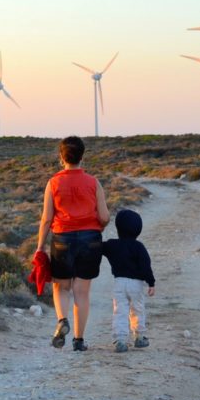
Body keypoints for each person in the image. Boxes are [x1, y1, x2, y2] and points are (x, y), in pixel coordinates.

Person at [34, 136, 110, 351]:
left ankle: (61, 320)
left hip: (62, 240)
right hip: (90, 240)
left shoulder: (53, 183)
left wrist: (40, 246)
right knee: (82, 292)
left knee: (61, 286)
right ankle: (79, 340)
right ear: (82, 156)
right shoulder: (94, 183)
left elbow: (46, 218)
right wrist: (100, 224)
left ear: (61, 157)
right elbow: (104, 217)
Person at [102, 208, 156, 352]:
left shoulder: (112, 245)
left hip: (119, 283)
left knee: (120, 310)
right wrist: (151, 283)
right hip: (136, 285)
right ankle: (139, 337)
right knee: (137, 309)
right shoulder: (139, 247)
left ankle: (120, 340)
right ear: (138, 230)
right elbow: (146, 266)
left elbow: (99, 247)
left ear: (118, 227)